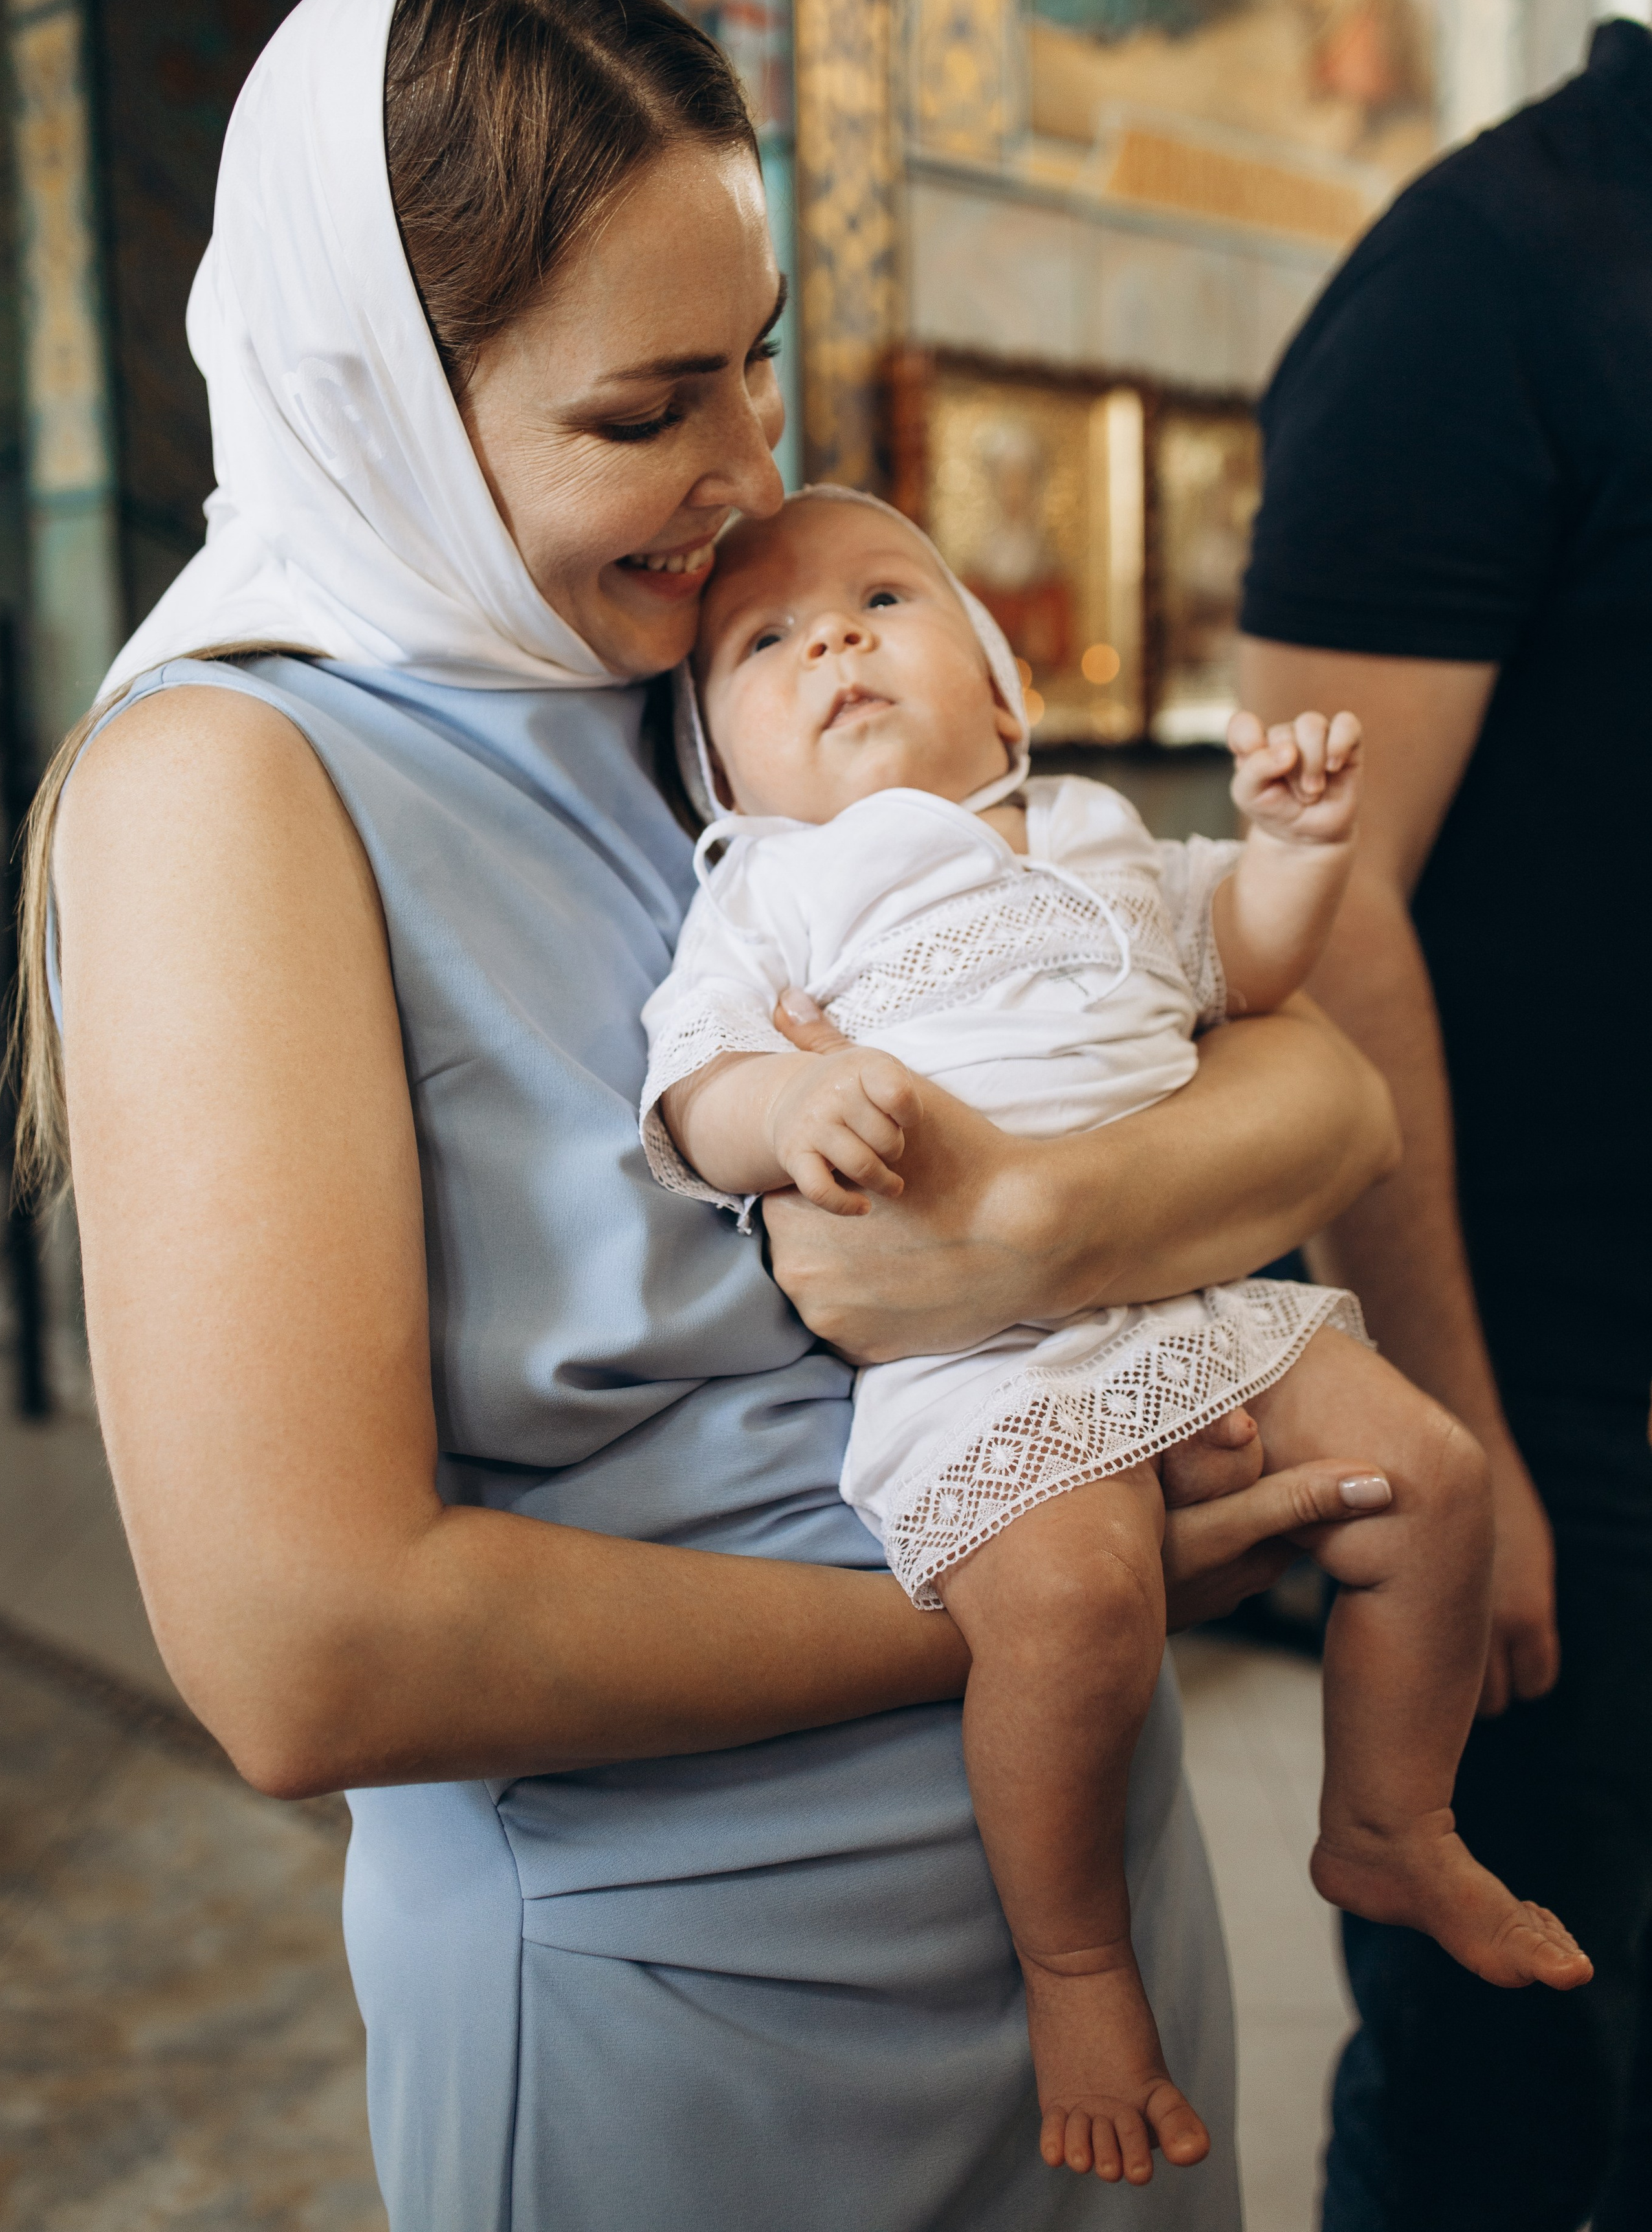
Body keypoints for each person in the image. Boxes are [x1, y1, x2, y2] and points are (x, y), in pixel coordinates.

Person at [26, 0, 1402, 2232]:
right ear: (382, 397)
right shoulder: (232, 787)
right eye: (642, 413)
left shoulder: (732, 661)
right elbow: (308, 1654)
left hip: (1074, 1866)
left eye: (746, 372)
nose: (748, 476)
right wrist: (1026, 1588)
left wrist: (1050, 1234)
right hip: (681, 1986)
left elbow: (1306, 1076)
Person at [641, 487, 1591, 2187]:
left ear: (1005, 696)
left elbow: (1246, 966)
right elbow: (694, 1088)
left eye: (881, 600)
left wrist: (1297, 854)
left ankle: (1388, 1824)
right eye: (765, 643)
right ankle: (1077, 1972)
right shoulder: (767, 896)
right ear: (723, 771)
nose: (835, 641)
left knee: (1430, 1482)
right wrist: (792, 1102)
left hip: (1201, 1306)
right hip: (980, 1367)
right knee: (1075, 1607)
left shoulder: (1085, 830)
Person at [1238, 0, 1652, 2232]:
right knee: (1526, 2108)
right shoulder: (1482, 281)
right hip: (1576, 1410)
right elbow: (1326, 915)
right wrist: (1453, 1442)